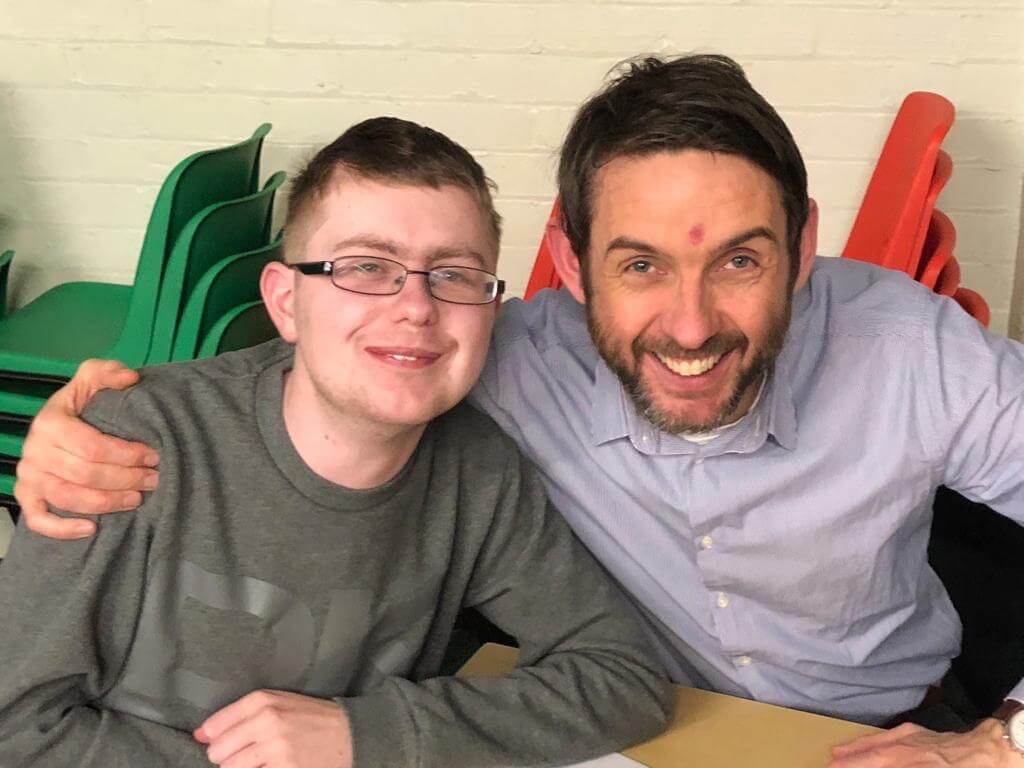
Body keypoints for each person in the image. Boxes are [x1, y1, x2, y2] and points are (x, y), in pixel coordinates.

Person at [14, 54, 1024, 767]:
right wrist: (89, 427)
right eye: (639, 265)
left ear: (801, 250)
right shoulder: (489, 358)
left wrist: (1003, 742)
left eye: (740, 261)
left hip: (896, 733)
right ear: (571, 266)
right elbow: (341, 359)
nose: (689, 324)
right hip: (652, 733)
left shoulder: (912, 353)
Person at [0, 116, 673, 768]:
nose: (416, 308)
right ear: (286, 301)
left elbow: (621, 676)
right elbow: (14, 729)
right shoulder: (123, 451)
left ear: (490, 310)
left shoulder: (479, 471)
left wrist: (367, 736)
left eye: (453, 275)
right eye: (366, 267)